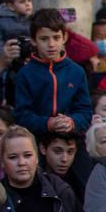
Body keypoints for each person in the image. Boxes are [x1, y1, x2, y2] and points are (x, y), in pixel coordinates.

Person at [11, 8, 93, 138]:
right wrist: (48, 123)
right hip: (37, 141)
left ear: (64, 37)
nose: (51, 44)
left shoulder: (76, 71)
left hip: (71, 141)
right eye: (44, 39)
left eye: (56, 38)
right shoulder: (25, 74)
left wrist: (72, 122)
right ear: (33, 40)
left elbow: (85, 112)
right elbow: (22, 115)